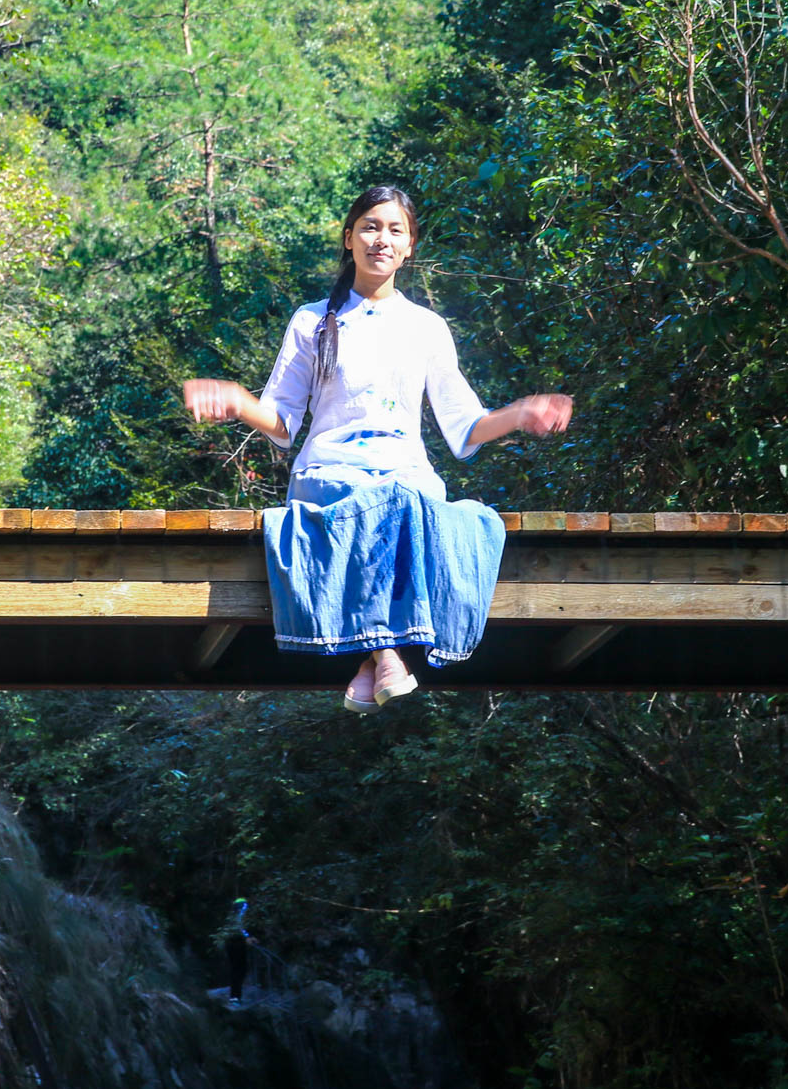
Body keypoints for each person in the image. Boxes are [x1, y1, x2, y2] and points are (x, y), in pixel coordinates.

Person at [183, 185, 572, 712]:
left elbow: (464, 426)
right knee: (376, 499)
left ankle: (371, 660)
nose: (380, 239)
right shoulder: (311, 321)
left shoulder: (426, 328)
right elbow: (280, 421)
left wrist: (521, 414)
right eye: (369, 227)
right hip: (330, 474)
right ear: (349, 239)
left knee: (428, 506)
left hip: (406, 479)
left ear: (410, 246)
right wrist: (234, 400)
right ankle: (387, 653)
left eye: (395, 230)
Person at [218, 897, 255, 1007]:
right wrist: (248, 937)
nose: (245, 908)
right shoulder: (238, 916)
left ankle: (235, 997)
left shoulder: (232, 916)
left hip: (233, 944)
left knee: (237, 970)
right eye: (244, 906)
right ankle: (235, 997)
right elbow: (241, 928)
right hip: (236, 944)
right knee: (238, 970)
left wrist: (249, 937)